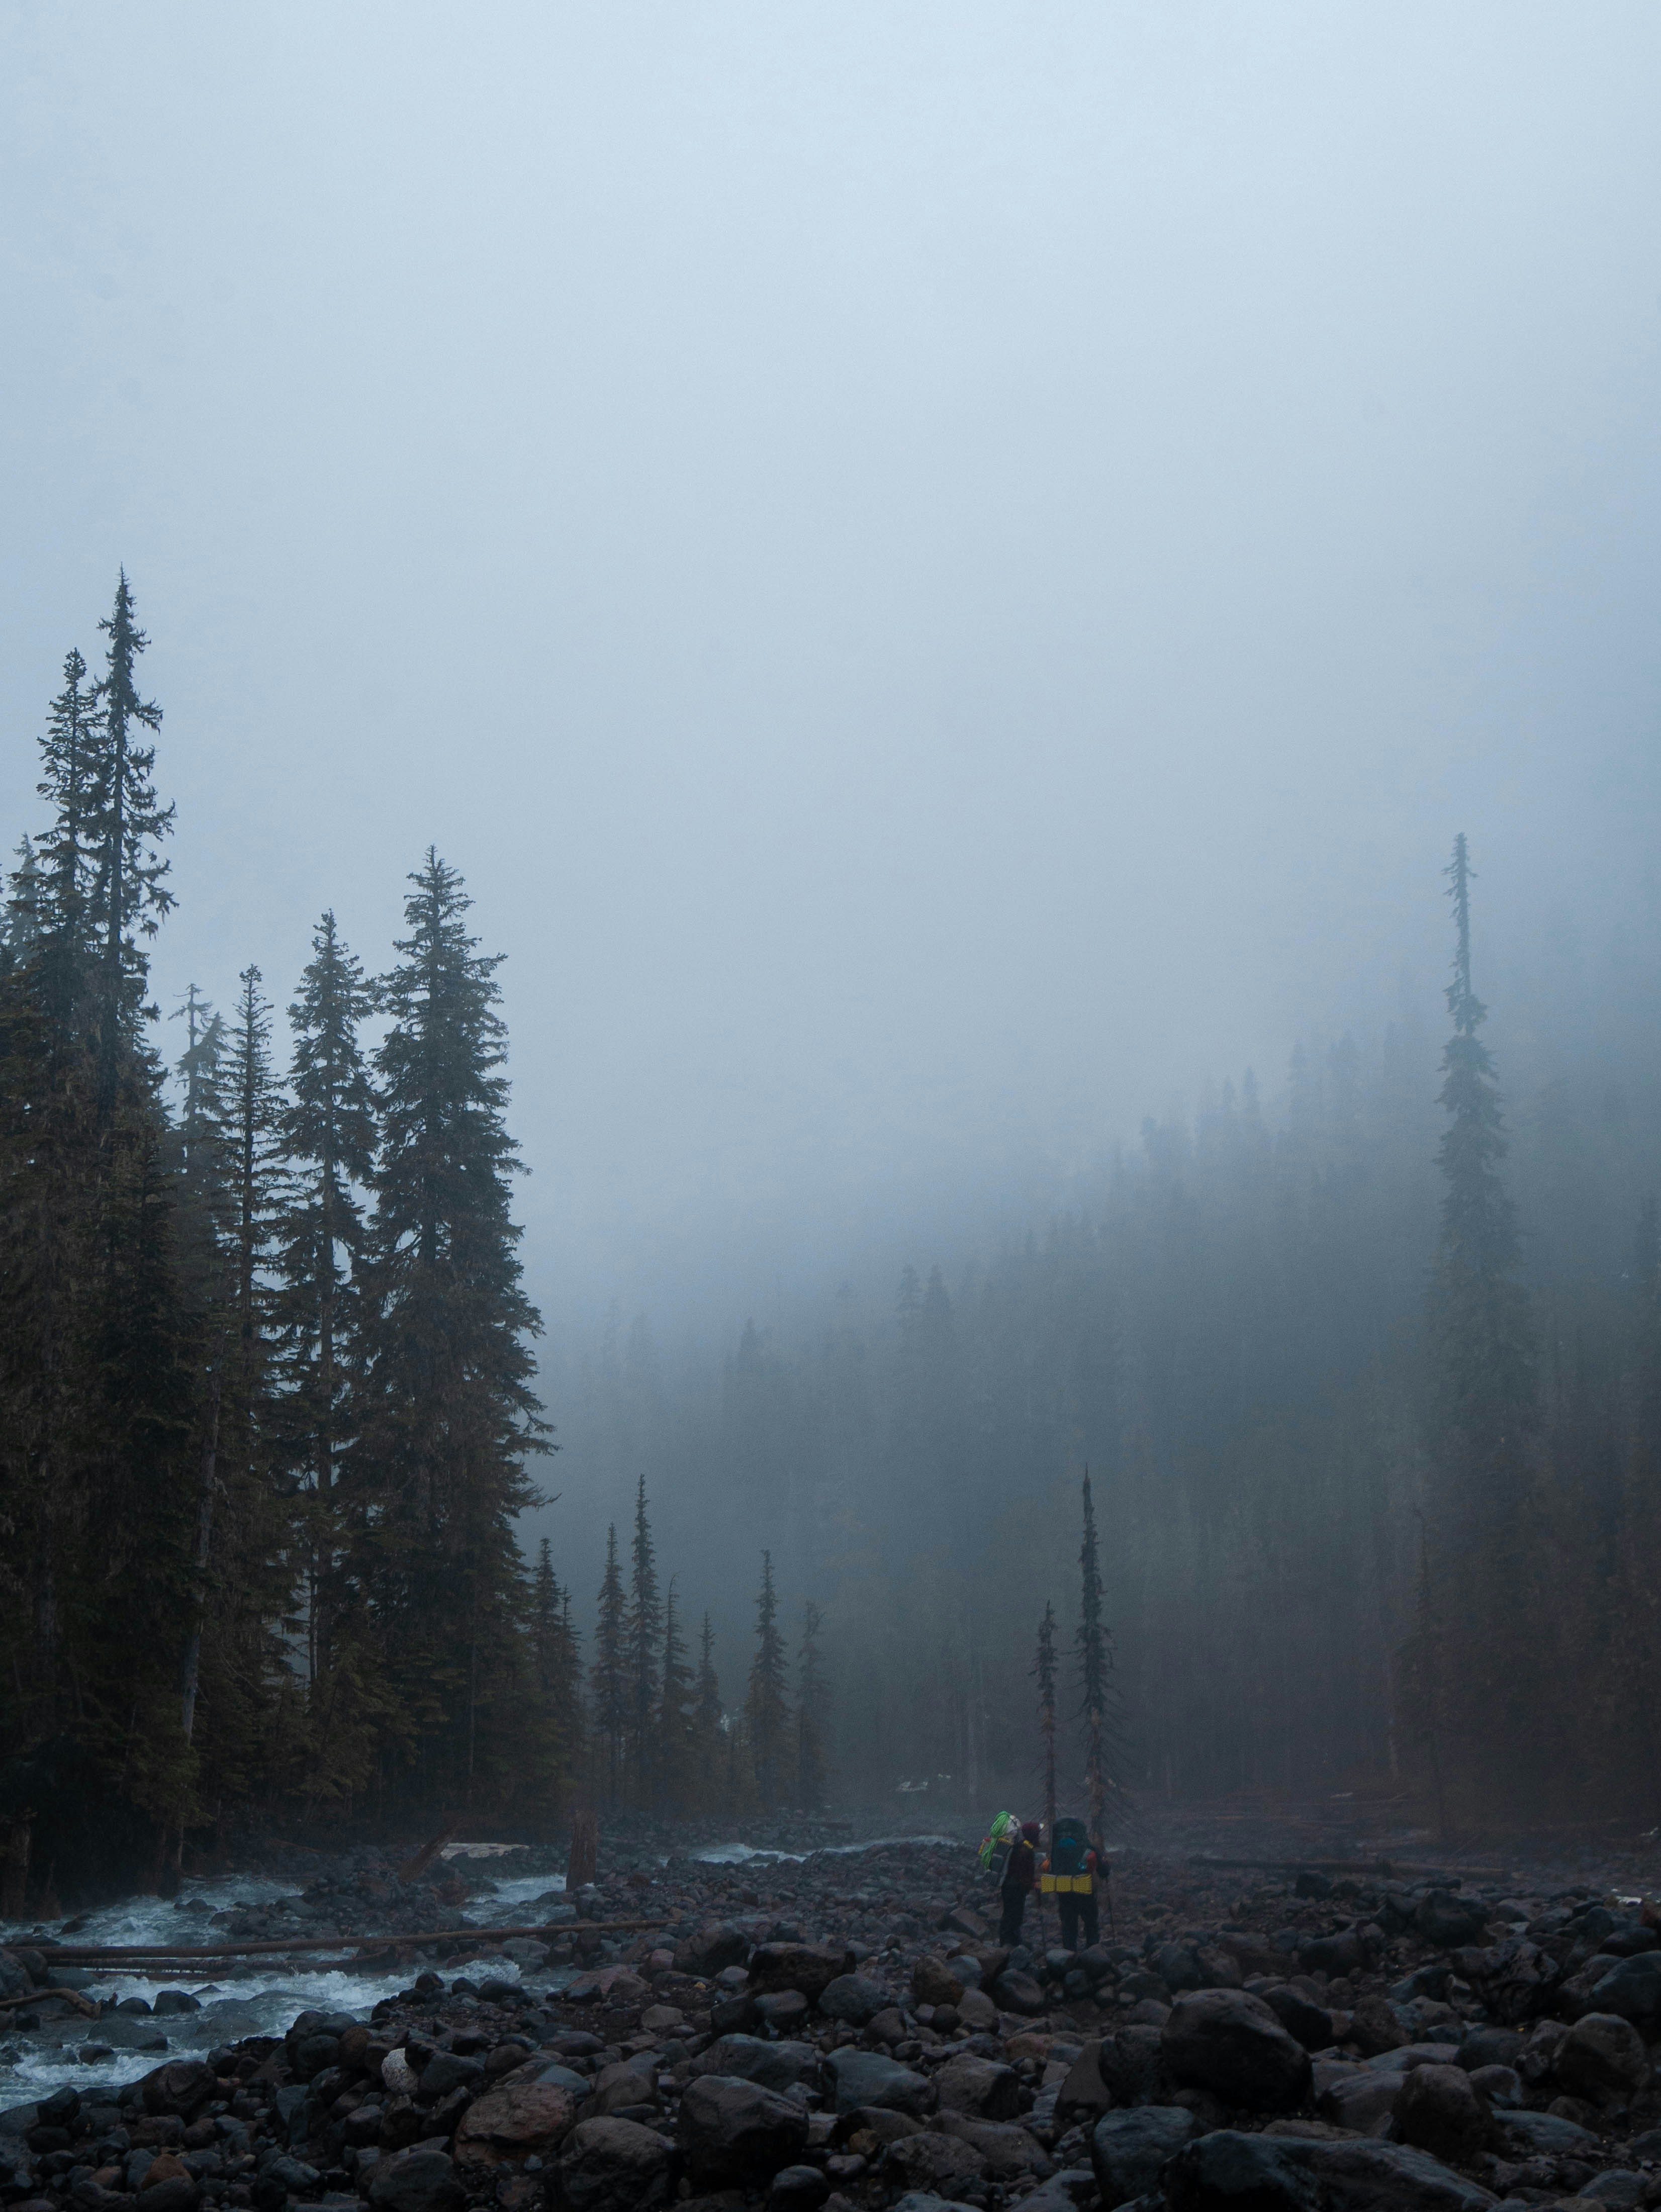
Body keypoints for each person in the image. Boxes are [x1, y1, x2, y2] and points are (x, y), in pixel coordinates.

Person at [1042, 1815, 1100, 1951]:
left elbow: (1049, 1867)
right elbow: (1102, 1868)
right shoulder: (1088, 1847)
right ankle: (1093, 1951)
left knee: (1068, 1922)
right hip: (1085, 1890)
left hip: (1065, 1891)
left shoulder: (1057, 1848)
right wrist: (1104, 1872)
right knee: (1090, 1921)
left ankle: (1069, 1953)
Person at [998, 1819, 1041, 1945]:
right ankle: (1010, 1942)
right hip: (1015, 1888)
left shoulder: (1021, 1846)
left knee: (1010, 1914)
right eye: (1037, 1834)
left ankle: (1008, 1941)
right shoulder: (1025, 1850)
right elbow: (1022, 1872)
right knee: (1014, 1915)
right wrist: (1032, 1884)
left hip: (1009, 1886)